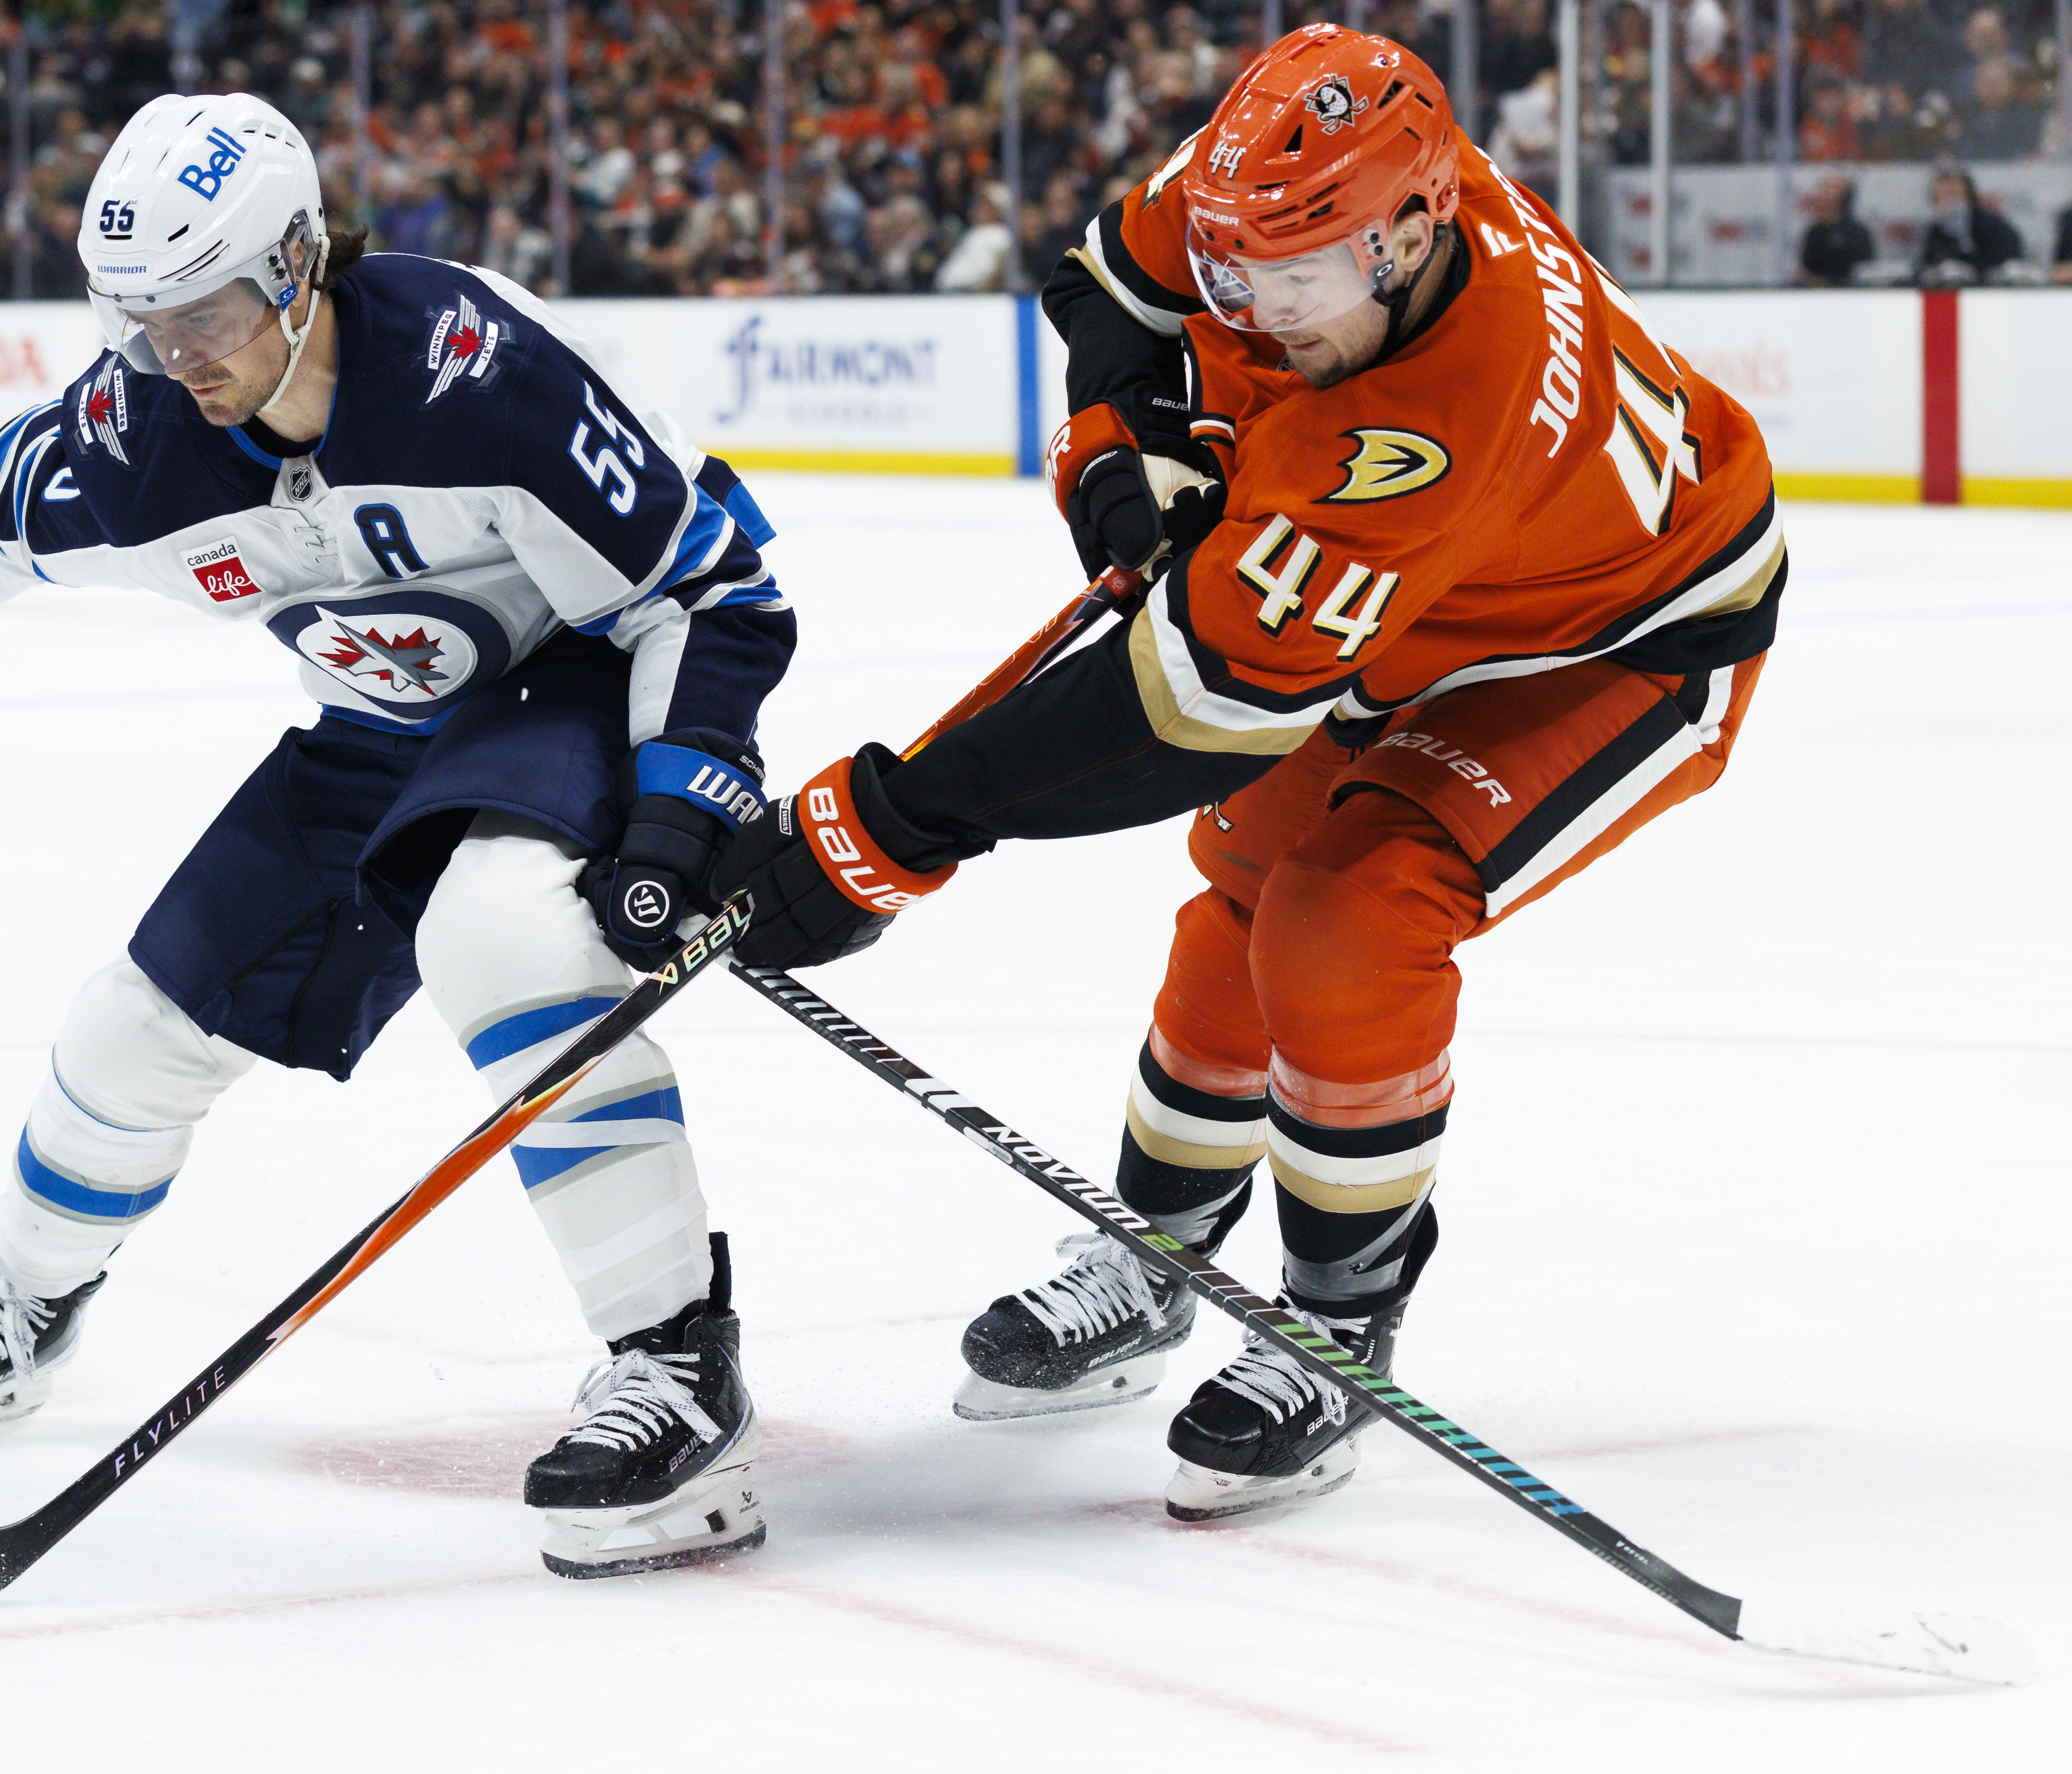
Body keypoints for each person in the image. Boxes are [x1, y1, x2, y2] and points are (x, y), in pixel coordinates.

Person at [716, 25, 1780, 1518]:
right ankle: (1153, 1254)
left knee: (1345, 914)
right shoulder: (1302, 182)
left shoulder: (1437, 414)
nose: (1257, 316)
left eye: (1295, 285)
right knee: (1241, 893)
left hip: (1614, 641)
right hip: (1441, 602)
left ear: (1413, 236)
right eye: (1236, 273)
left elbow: (1185, 716)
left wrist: (893, 824)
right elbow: (1106, 283)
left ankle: (1339, 1317)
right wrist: (1124, 448)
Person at [0, 94, 794, 1579]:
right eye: (134, 321)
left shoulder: (478, 379)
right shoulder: (133, 438)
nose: (171, 357)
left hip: (560, 684)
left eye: (200, 312)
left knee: (501, 937)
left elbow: (712, 588)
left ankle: (673, 1356)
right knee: (132, 1028)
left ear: (291, 268)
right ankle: (21, 1303)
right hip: (375, 724)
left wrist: (684, 792)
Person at [1915, 166, 2026, 284]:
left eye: (1955, 195)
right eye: (1943, 196)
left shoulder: (1993, 226)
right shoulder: (1933, 232)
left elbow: (2010, 264)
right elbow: (1921, 268)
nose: (1950, 203)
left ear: (1969, 197)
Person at [1798, 174, 1875, 284]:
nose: (1825, 193)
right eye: (1824, 187)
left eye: (1832, 188)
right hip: (1818, 296)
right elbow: (1806, 270)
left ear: (1846, 197)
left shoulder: (1858, 233)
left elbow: (1867, 271)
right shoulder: (1814, 232)